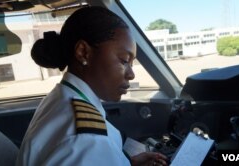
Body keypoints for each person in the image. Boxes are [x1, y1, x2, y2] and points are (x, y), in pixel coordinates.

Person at [16, 6, 168, 166]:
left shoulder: (60, 96)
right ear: (83, 53)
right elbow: (87, 151)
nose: (131, 74)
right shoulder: (87, 140)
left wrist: (128, 162)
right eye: (124, 60)